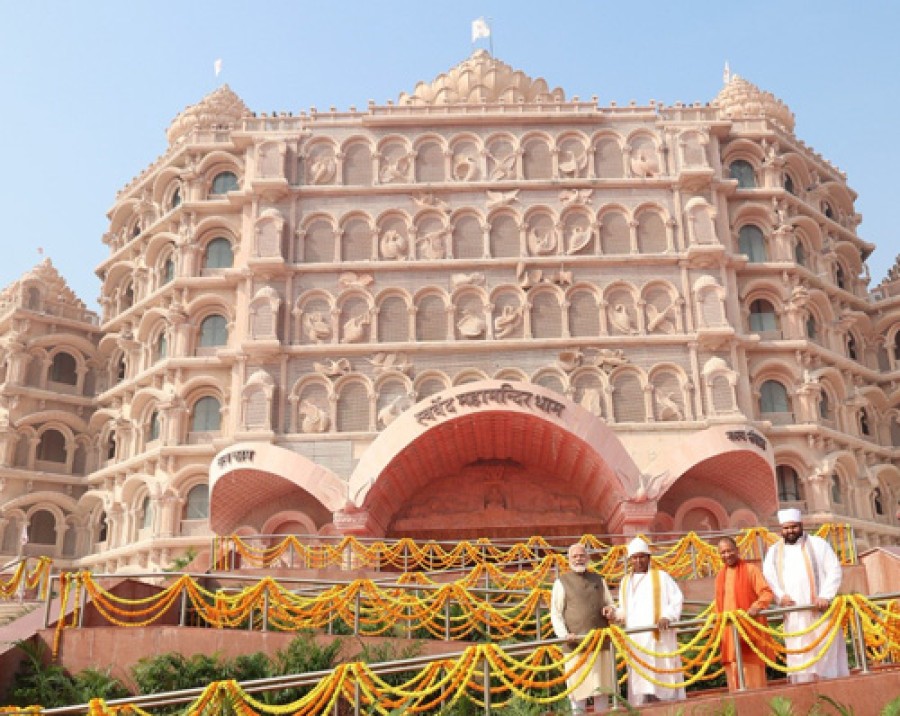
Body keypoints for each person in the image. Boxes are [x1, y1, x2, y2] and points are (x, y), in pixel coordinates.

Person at [762, 508, 849, 683]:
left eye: (794, 527)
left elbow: (834, 570)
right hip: (794, 612)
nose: (790, 531)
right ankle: (804, 686)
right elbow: (769, 577)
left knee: (825, 648)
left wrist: (825, 595)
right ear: (781, 529)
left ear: (801, 525)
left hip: (819, 609)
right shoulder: (774, 551)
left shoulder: (819, 544)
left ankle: (831, 686)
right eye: (786, 528)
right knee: (799, 651)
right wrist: (780, 596)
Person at [614, 537, 685, 706]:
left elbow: (676, 599)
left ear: (649, 558)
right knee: (641, 680)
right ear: (630, 560)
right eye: (635, 557)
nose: (638, 561)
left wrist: (667, 616)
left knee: (663, 675)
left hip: (659, 637)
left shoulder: (661, 577)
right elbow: (624, 610)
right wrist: (613, 613)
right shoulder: (625, 582)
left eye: (642, 557)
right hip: (636, 640)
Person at [550, 543, 617, 714]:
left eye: (581, 555)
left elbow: (610, 604)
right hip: (575, 645)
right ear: (569, 560)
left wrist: (610, 610)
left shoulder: (599, 580)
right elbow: (556, 613)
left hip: (600, 644)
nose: (578, 559)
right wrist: (564, 635)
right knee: (578, 691)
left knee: (602, 690)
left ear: (587, 558)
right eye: (575, 556)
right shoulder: (561, 582)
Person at [715, 536, 775, 690]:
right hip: (729, 634)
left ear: (737, 550)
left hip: (750, 633)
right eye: (723, 552)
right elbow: (719, 606)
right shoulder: (720, 576)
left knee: (753, 680)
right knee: (733, 677)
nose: (727, 555)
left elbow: (766, 593)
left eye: (730, 551)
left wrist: (757, 606)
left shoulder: (751, 570)